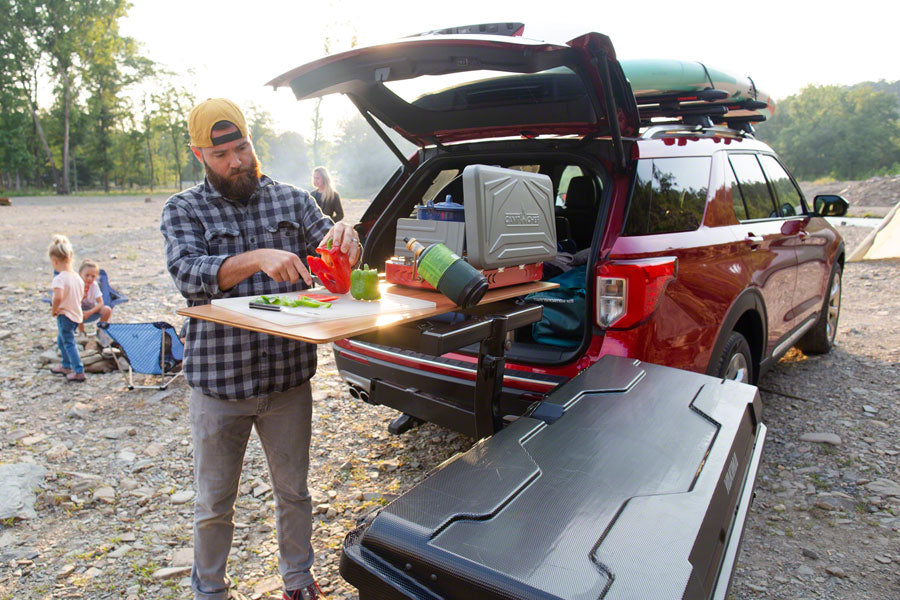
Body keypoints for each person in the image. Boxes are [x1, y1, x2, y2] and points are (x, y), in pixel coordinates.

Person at [160, 98, 361, 600]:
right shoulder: (183, 208)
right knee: (213, 502)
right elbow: (188, 273)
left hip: (287, 381)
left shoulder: (293, 200)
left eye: (243, 148)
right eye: (221, 154)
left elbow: (334, 256)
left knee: (294, 491)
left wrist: (347, 239)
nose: (236, 161)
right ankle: (210, 590)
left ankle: (298, 579)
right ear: (199, 155)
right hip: (219, 385)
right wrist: (256, 258)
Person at [48, 235, 86, 382]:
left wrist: (54, 310)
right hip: (76, 314)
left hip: (65, 314)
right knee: (62, 340)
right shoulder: (77, 277)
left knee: (69, 343)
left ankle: (78, 370)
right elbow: (81, 295)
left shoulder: (59, 278)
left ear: (55, 260)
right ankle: (66, 364)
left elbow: (57, 297)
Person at [77, 259, 113, 334]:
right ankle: (81, 332)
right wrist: (82, 297)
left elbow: (100, 303)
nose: (89, 278)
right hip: (78, 309)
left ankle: (101, 330)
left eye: (93, 276)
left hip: (91, 309)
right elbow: (73, 303)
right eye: (87, 275)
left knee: (107, 310)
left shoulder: (94, 285)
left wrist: (90, 312)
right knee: (77, 311)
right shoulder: (76, 285)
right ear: (80, 274)